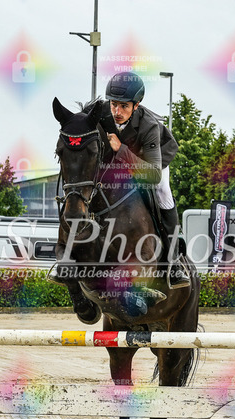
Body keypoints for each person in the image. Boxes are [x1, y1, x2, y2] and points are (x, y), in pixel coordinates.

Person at [49, 71, 189, 291]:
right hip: (115, 160)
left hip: (151, 161)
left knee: (163, 192)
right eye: (114, 104)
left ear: (136, 105)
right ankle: (65, 252)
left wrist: (121, 150)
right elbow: (79, 128)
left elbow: (154, 174)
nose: (117, 112)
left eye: (124, 106)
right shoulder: (101, 113)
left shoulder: (149, 126)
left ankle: (173, 262)